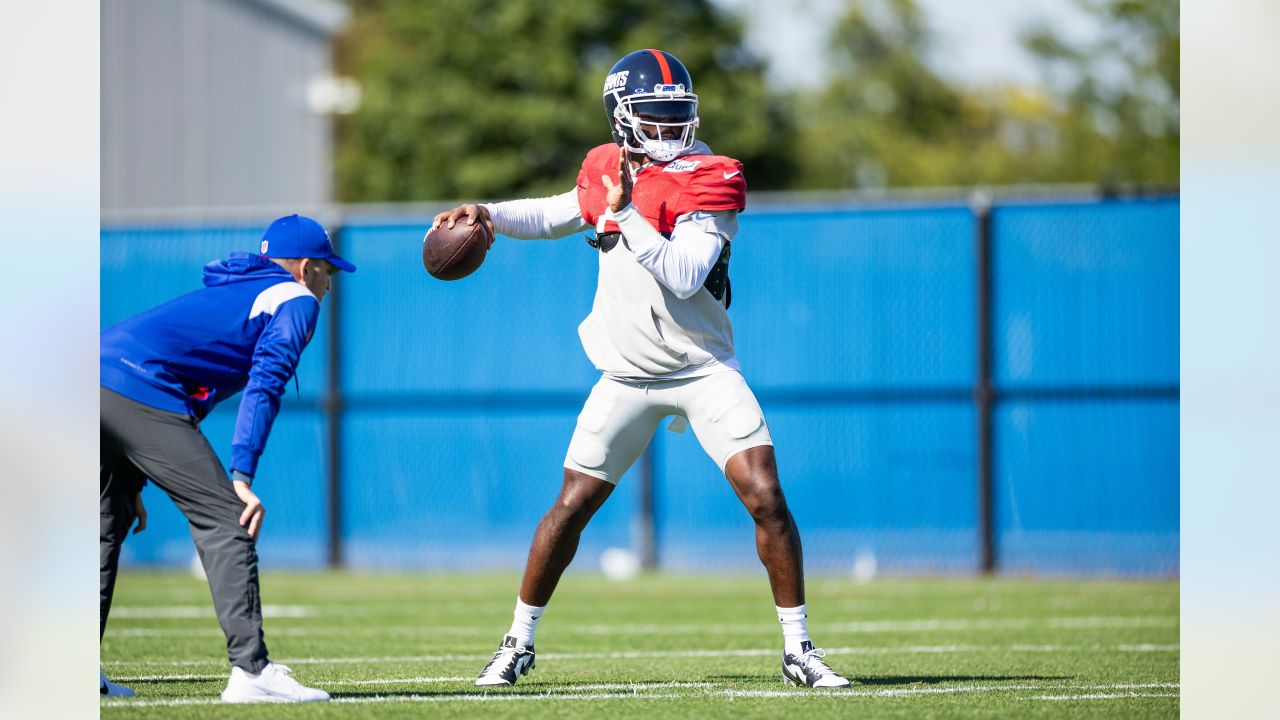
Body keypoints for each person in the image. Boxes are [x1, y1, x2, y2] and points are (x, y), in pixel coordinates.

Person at [433, 49, 851, 690]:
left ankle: (799, 648)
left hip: (701, 369)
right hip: (626, 375)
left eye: (675, 113)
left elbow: (685, 276)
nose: (667, 127)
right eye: (652, 115)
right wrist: (487, 212)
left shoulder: (711, 177)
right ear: (621, 118)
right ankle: (517, 643)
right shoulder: (604, 166)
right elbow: (552, 213)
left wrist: (625, 212)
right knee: (570, 508)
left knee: (765, 495)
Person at [99, 214, 352, 702]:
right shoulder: (295, 297)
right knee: (226, 518)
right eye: (328, 271)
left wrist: (134, 472)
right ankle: (252, 671)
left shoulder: (245, 290)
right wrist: (240, 475)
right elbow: (267, 379)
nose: (329, 284)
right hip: (135, 382)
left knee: (108, 520)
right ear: (304, 268)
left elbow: (189, 373)